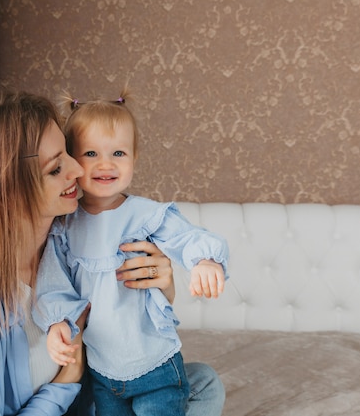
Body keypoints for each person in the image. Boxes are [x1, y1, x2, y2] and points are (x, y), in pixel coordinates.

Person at [0, 88, 226, 415]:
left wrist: (163, 286)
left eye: (68, 153)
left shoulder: (73, 241)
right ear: (8, 193)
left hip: (98, 397)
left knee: (203, 382)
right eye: (55, 169)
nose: (78, 171)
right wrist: (66, 380)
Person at [32, 90, 229, 416]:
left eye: (118, 153)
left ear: (134, 159)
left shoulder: (146, 215)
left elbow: (186, 238)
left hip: (155, 364)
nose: (105, 164)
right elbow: (53, 282)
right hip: (103, 370)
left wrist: (205, 260)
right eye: (91, 152)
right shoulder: (65, 227)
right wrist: (57, 324)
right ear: (71, 159)